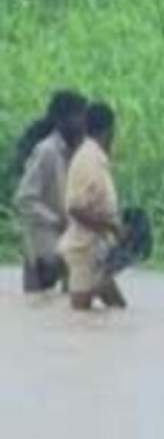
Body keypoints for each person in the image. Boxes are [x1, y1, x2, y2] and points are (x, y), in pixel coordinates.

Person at [13, 91, 88, 293]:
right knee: (39, 302)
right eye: (79, 116)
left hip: (65, 241)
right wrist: (56, 220)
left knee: (65, 308)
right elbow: (24, 198)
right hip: (42, 246)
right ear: (61, 120)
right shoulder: (47, 151)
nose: (83, 123)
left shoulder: (78, 153)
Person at [59, 103, 127, 311]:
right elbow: (75, 208)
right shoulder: (88, 159)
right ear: (109, 130)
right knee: (81, 315)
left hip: (97, 249)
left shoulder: (95, 157)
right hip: (84, 249)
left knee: (117, 308)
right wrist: (112, 227)